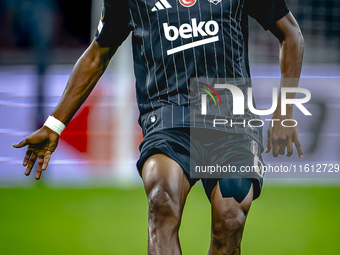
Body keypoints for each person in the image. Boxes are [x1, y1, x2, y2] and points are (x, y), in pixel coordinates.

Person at [13, 0, 304, 254]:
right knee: (162, 201)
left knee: (230, 218)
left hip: (230, 117)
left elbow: (290, 34)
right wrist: (54, 124)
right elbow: (98, 53)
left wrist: (284, 111)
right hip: (167, 117)